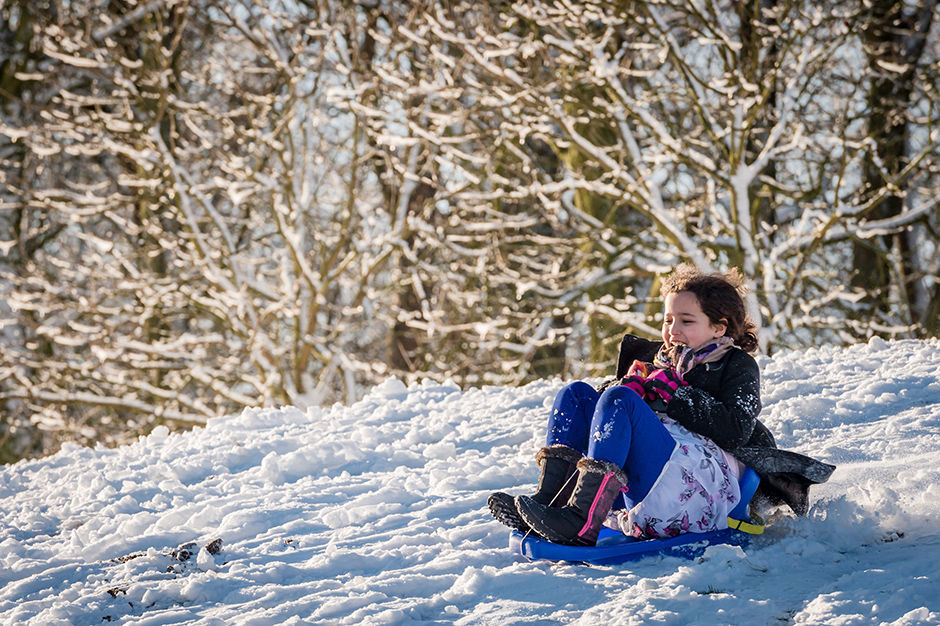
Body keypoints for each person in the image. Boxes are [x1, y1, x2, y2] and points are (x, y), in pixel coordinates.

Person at [488, 264, 835, 547]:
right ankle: (551, 502)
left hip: (701, 482)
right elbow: (606, 411)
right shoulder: (658, 359)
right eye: (668, 320)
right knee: (577, 394)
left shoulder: (736, 365)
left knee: (620, 400)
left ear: (719, 326)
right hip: (659, 469)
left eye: (686, 321)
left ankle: (581, 521)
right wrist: (630, 384)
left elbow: (735, 429)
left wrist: (674, 394)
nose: (673, 331)